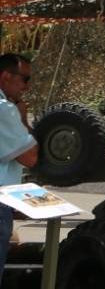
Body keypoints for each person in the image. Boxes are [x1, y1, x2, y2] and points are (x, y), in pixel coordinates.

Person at [0, 54, 37, 276]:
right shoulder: (4, 109)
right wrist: (23, 121)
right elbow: (30, 157)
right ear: (5, 76)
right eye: (25, 79)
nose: (27, 87)